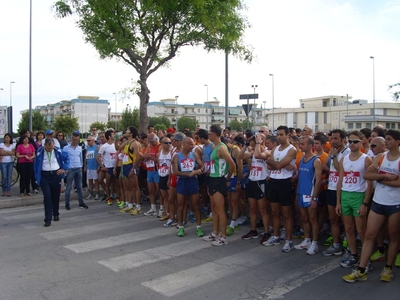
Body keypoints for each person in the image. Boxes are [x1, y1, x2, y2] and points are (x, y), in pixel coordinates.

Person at [343, 129, 400, 283]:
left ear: (397, 142)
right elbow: (367, 175)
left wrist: (380, 178)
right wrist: (386, 176)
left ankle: (388, 268)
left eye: (388, 139)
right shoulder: (381, 157)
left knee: (394, 236)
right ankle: (361, 269)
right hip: (378, 202)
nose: (385, 142)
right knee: (369, 235)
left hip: (395, 203)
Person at [264, 126, 297, 253]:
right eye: (277, 135)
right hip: (274, 181)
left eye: (281, 134)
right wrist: (275, 163)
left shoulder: (292, 150)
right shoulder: (275, 149)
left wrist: (275, 163)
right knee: (274, 211)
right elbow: (271, 166)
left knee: (287, 213)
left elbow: (276, 164)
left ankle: (289, 241)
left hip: (285, 182)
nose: (279, 137)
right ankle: (276, 236)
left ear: (288, 135)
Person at [203, 125, 236, 246]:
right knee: (214, 207)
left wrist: (227, 178)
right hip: (213, 178)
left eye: (210, 133)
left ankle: (224, 236)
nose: (208, 135)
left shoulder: (222, 147)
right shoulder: (215, 147)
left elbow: (232, 164)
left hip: (219, 179)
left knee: (220, 209)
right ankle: (215, 232)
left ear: (215, 134)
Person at [293, 136, 322, 255]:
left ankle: (315, 243)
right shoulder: (302, 159)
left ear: (310, 146)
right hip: (301, 193)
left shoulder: (316, 160)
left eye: (303, 144)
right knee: (303, 218)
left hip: (310, 194)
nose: (300, 146)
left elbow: (318, 181)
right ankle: (307, 239)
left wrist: (314, 197)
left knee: (312, 219)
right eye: (300, 143)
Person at [172, 137, 205, 237]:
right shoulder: (177, 156)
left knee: (196, 205)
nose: (192, 146)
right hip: (182, 181)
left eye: (193, 144)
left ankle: (199, 227)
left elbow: (202, 166)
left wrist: (199, 170)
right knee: (181, 205)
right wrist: (187, 174)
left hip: (192, 182)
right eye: (190, 144)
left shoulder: (194, 154)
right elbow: (175, 171)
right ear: (184, 144)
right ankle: (181, 226)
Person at [34, 138, 69, 227]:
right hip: (44, 175)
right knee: (47, 196)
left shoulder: (58, 150)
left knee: (55, 196)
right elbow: (36, 164)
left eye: (52, 148)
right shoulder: (39, 151)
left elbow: (67, 158)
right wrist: (36, 175)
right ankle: (47, 219)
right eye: (49, 148)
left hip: (55, 174)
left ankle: (56, 213)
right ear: (45, 145)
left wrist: (64, 169)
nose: (50, 150)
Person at [63, 130, 88, 210]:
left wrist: (81, 166)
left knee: (79, 186)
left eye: (77, 138)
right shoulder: (66, 148)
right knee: (69, 187)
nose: (75, 139)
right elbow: (63, 159)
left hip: (78, 168)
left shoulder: (79, 148)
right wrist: (65, 168)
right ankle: (67, 203)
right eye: (74, 137)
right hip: (70, 169)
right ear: (72, 138)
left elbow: (81, 158)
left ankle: (81, 202)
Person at [85, 135, 99, 200]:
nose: (88, 142)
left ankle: (97, 193)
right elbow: (86, 157)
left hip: (95, 167)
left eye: (89, 140)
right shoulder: (87, 148)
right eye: (87, 140)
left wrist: (99, 166)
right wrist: (85, 166)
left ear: (93, 141)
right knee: (90, 181)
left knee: (96, 180)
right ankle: (90, 193)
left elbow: (99, 157)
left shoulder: (97, 147)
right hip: (89, 167)